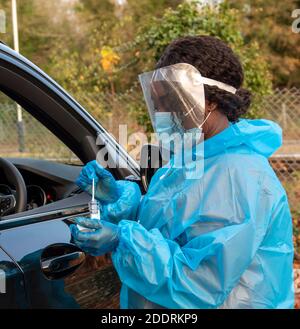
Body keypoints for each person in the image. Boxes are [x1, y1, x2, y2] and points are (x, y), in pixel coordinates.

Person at [70, 36, 294, 309]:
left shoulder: (241, 176)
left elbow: (200, 281)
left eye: (169, 101)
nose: (163, 113)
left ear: (208, 101)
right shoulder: (195, 156)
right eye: (159, 102)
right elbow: (176, 226)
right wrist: (126, 204)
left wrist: (122, 238)